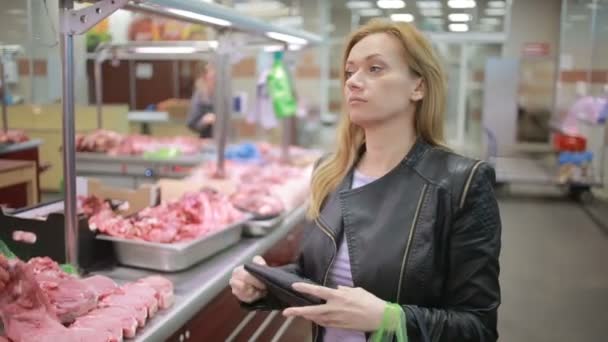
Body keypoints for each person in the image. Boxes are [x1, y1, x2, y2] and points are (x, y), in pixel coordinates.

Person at [230, 19, 501, 342]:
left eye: (375, 69)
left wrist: (389, 318)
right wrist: (265, 285)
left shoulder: (462, 182)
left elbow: (478, 327)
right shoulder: (330, 173)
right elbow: (317, 279)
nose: (353, 82)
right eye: (349, 71)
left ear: (419, 86)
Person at [186, 62, 217, 139]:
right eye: (211, 70)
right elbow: (191, 124)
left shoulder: (222, 92)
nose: (215, 73)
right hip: (208, 140)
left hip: (224, 139)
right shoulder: (200, 95)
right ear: (205, 76)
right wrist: (205, 120)